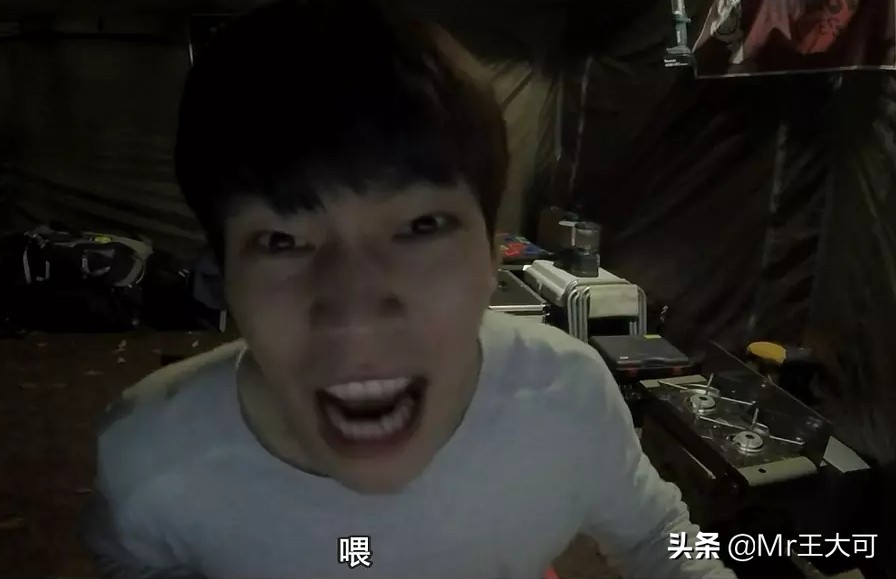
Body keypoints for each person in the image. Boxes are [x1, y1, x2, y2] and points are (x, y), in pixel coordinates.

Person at [81, 1, 737, 577]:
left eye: (421, 226)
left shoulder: (569, 400)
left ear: (492, 259)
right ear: (225, 277)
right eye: (282, 240)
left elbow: (660, 536)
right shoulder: (150, 455)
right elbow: (130, 561)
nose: (355, 314)